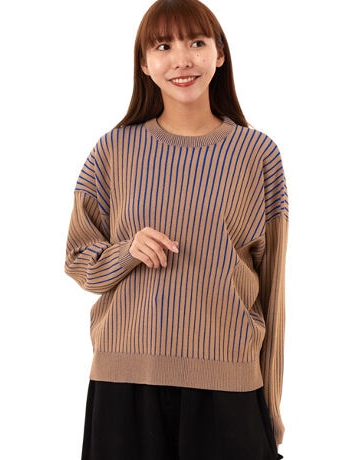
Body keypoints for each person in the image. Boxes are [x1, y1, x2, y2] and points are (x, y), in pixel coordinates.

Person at [64, 0, 288, 458]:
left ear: (219, 54)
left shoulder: (258, 154)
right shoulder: (113, 150)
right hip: (126, 381)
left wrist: (270, 402)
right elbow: (77, 259)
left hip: (228, 383)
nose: (182, 59)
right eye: (163, 46)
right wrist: (128, 251)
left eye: (196, 43)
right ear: (144, 64)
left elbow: (273, 289)